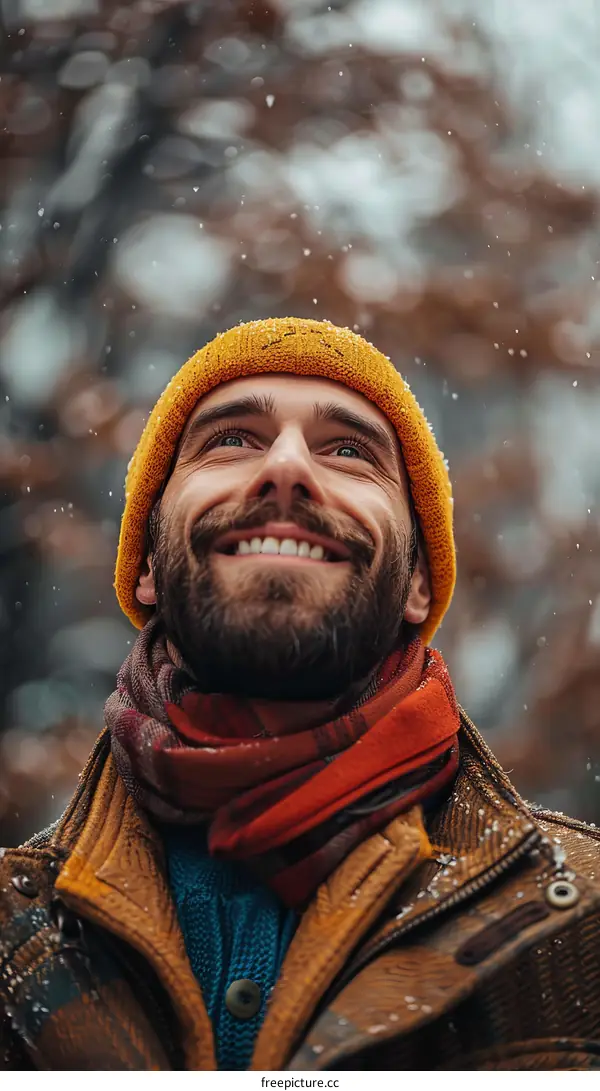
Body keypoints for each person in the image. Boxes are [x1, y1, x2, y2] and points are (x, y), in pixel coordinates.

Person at [1, 317, 599, 1073]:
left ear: (419, 581)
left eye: (348, 451)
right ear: (147, 561)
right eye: (232, 439)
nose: (285, 468)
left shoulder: (583, 919)